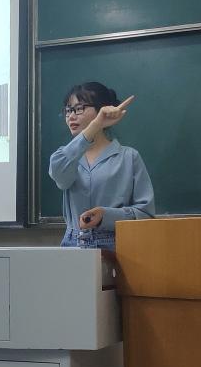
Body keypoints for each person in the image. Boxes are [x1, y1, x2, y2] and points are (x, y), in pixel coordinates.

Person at [49, 81, 155, 250]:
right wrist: (95, 126)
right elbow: (60, 177)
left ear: (102, 110)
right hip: (73, 245)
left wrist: (106, 216)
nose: (71, 116)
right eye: (68, 110)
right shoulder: (66, 156)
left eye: (79, 108)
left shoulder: (129, 157)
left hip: (116, 245)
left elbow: (145, 214)